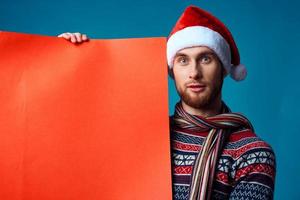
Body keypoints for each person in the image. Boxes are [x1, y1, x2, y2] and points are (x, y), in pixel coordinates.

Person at [58, 5, 276, 200]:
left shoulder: (251, 153)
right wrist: (65, 57)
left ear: (224, 69)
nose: (194, 72)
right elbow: (76, 149)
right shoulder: (143, 139)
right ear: (172, 71)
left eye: (206, 59)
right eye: (183, 60)